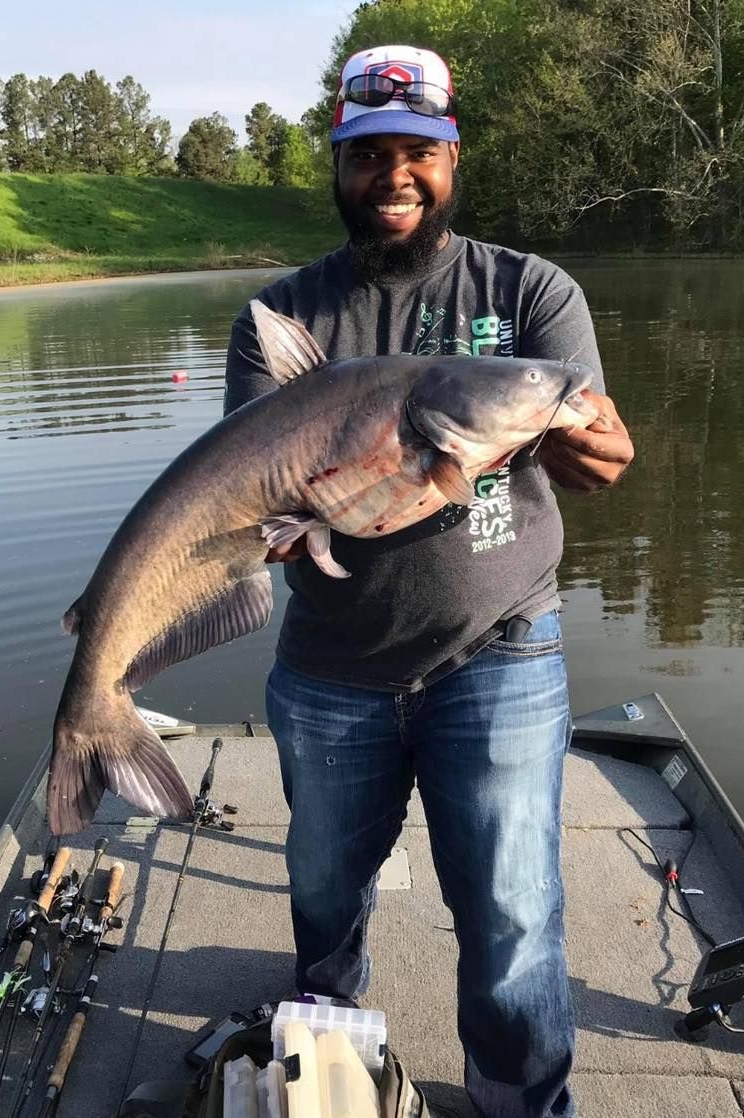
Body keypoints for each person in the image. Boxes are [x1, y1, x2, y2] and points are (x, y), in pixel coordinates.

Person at [223, 44, 634, 1118]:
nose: (393, 175)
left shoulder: (529, 292)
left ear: (451, 159)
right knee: (320, 893)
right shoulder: (281, 319)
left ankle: (519, 1103)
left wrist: (590, 448)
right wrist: (265, 524)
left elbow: (588, 432)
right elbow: (245, 487)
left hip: (498, 650)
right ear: (338, 163)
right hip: (327, 666)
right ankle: (330, 1059)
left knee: (510, 917)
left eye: (417, 152)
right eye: (369, 155)